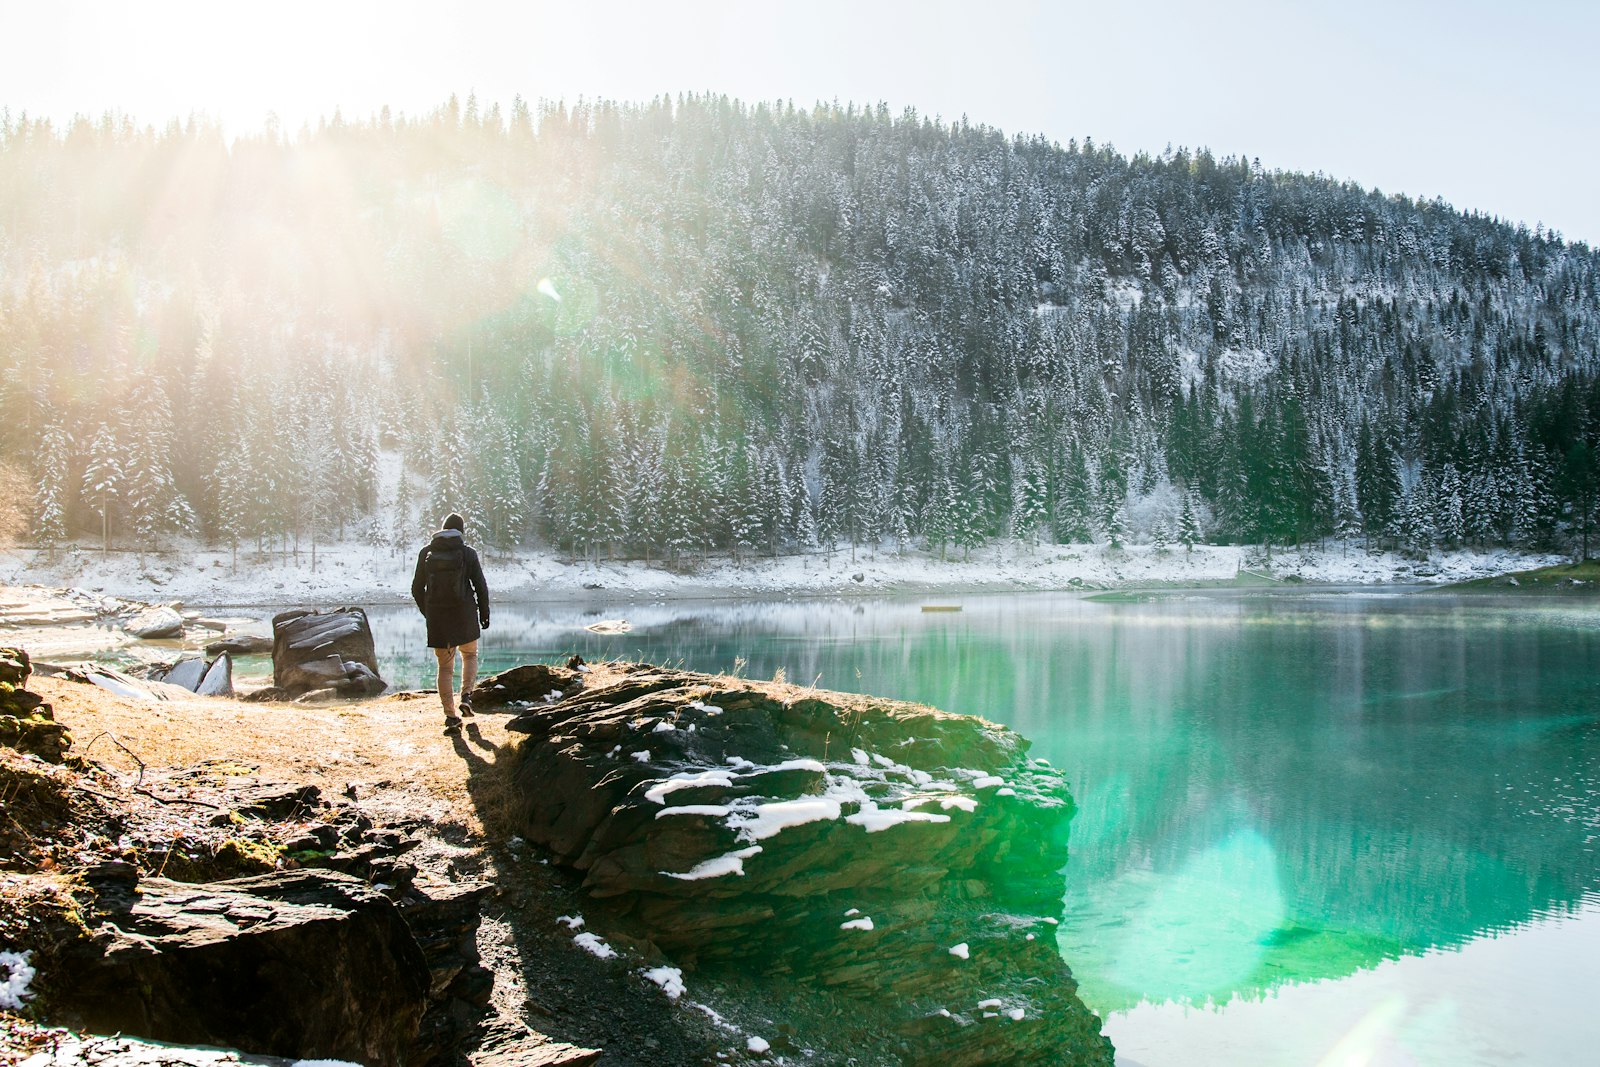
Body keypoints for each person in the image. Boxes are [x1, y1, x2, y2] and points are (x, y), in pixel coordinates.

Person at [411, 512, 490, 732]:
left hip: (439, 618)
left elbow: (417, 589)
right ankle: (466, 696)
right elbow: (480, 587)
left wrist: (429, 613)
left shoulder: (426, 553)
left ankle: (450, 715)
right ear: (461, 532)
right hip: (464, 615)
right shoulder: (468, 553)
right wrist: (484, 612)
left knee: (445, 667)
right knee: (470, 655)